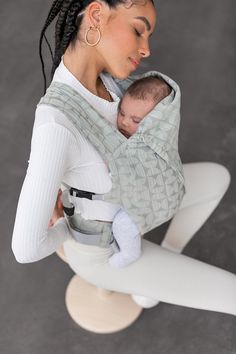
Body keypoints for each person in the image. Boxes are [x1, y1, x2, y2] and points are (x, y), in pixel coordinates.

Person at [12, 0, 236, 315]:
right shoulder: (55, 123)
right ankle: (143, 275)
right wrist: (68, 223)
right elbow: (26, 249)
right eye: (138, 30)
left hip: (137, 204)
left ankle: (162, 261)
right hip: (102, 250)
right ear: (96, 15)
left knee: (217, 177)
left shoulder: (108, 82)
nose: (146, 49)